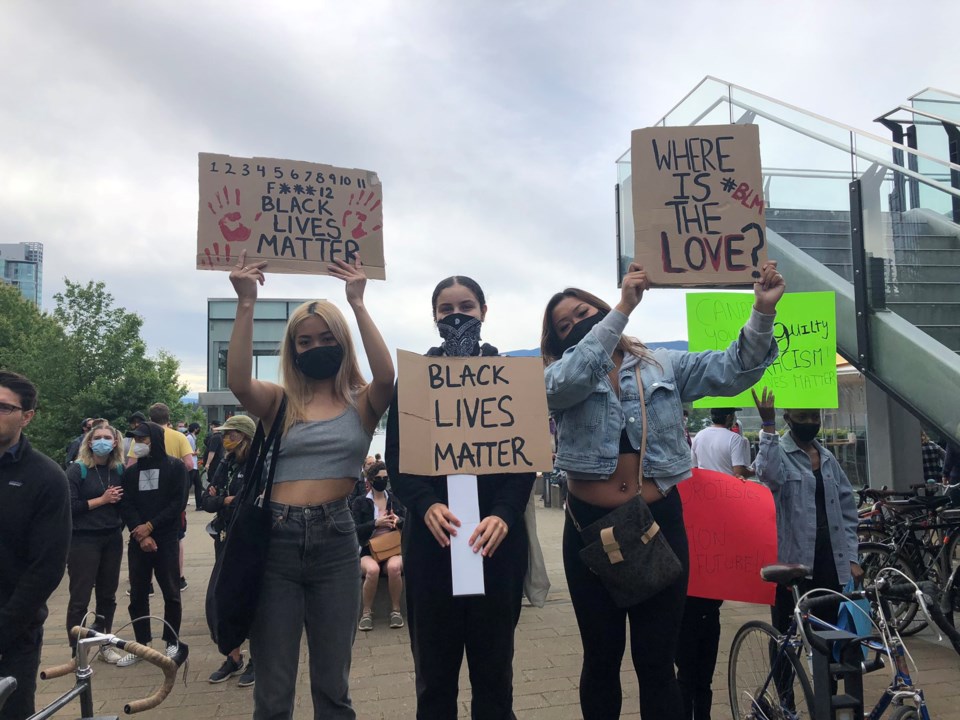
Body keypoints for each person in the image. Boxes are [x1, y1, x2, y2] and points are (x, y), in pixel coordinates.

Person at [541, 261, 784, 720]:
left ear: (597, 306)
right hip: (589, 531)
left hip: (660, 524)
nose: (576, 323)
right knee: (601, 659)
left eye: (582, 312)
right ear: (556, 341)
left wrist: (762, 312)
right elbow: (571, 379)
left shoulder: (661, 364)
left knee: (656, 661)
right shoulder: (554, 378)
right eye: (564, 325)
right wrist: (620, 311)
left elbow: (733, 370)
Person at [228, 250, 393, 720]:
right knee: (274, 689)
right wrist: (246, 303)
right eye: (304, 340)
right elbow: (239, 381)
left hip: (337, 539)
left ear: (340, 342)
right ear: (293, 349)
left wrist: (357, 303)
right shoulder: (277, 401)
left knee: (333, 686)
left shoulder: (363, 403)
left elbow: (387, 376)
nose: (315, 346)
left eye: (325, 337)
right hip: (275, 541)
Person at [387, 275, 535, 720]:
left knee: (495, 677)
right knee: (434, 680)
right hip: (433, 547)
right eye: (446, 308)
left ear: (484, 312)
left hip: (497, 547)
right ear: (434, 316)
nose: (456, 316)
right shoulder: (413, 379)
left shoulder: (509, 374)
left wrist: (505, 514)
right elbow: (398, 457)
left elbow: (522, 461)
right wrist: (425, 503)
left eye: (466, 307)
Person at [752, 387, 863, 636]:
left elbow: (847, 510)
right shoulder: (778, 452)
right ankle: (784, 675)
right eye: (803, 417)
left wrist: (852, 558)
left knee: (830, 631)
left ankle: (827, 677)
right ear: (788, 419)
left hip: (829, 560)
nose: (811, 423)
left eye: (815, 417)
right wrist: (767, 425)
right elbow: (768, 476)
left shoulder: (827, 458)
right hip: (792, 562)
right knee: (784, 633)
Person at [0, 371, 71, 720]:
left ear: (27, 416)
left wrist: (4, 629)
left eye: (2, 407)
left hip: (12, 635)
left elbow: (46, 567)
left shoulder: (45, 478)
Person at [677, 407, 751, 720]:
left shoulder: (699, 438)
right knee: (706, 633)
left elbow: (693, 471)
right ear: (731, 417)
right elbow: (740, 472)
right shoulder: (735, 440)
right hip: (724, 509)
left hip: (701, 513)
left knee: (688, 662)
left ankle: (692, 708)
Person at [117, 421, 187, 666]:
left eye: (143, 439)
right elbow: (126, 503)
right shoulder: (131, 472)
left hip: (166, 538)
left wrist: (152, 526)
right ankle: (140, 645)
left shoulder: (175, 467)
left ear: (154, 440)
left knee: (171, 592)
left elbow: (177, 502)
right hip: (139, 540)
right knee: (137, 594)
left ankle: (171, 641)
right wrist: (141, 532)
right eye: (135, 440)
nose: (138, 444)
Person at [202, 414, 257, 687]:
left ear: (245, 436)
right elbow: (206, 500)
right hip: (222, 538)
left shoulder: (257, 465)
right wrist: (223, 499)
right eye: (225, 434)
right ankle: (233, 656)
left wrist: (220, 499)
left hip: (247, 541)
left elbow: (246, 502)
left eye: (231, 434)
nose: (226, 439)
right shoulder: (225, 464)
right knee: (221, 599)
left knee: (252, 600)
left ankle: (257, 660)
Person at [65, 423, 126, 664]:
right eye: (97, 437)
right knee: (79, 597)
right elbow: (70, 507)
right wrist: (101, 500)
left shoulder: (119, 470)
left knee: (107, 596)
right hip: (83, 539)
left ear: (115, 442)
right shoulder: (77, 471)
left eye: (107, 437)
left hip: (111, 538)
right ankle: (76, 650)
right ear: (89, 442)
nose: (102, 441)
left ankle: (104, 643)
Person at [352, 460, 406, 631]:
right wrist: (376, 523)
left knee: (395, 567)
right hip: (368, 549)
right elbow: (355, 530)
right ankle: (366, 612)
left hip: (392, 548)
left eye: (385, 477)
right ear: (370, 480)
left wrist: (398, 521)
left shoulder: (395, 499)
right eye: (378, 477)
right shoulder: (360, 502)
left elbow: (408, 523)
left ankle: (395, 611)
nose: (382, 480)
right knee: (372, 570)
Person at [186, 422, 204, 510]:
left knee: (198, 484)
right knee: (188, 485)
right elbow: (187, 451)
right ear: (195, 429)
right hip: (191, 464)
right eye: (198, 428)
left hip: (194, 465)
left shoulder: (193, 437)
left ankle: (199, 504)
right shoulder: (189, 438)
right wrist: (196, 453)